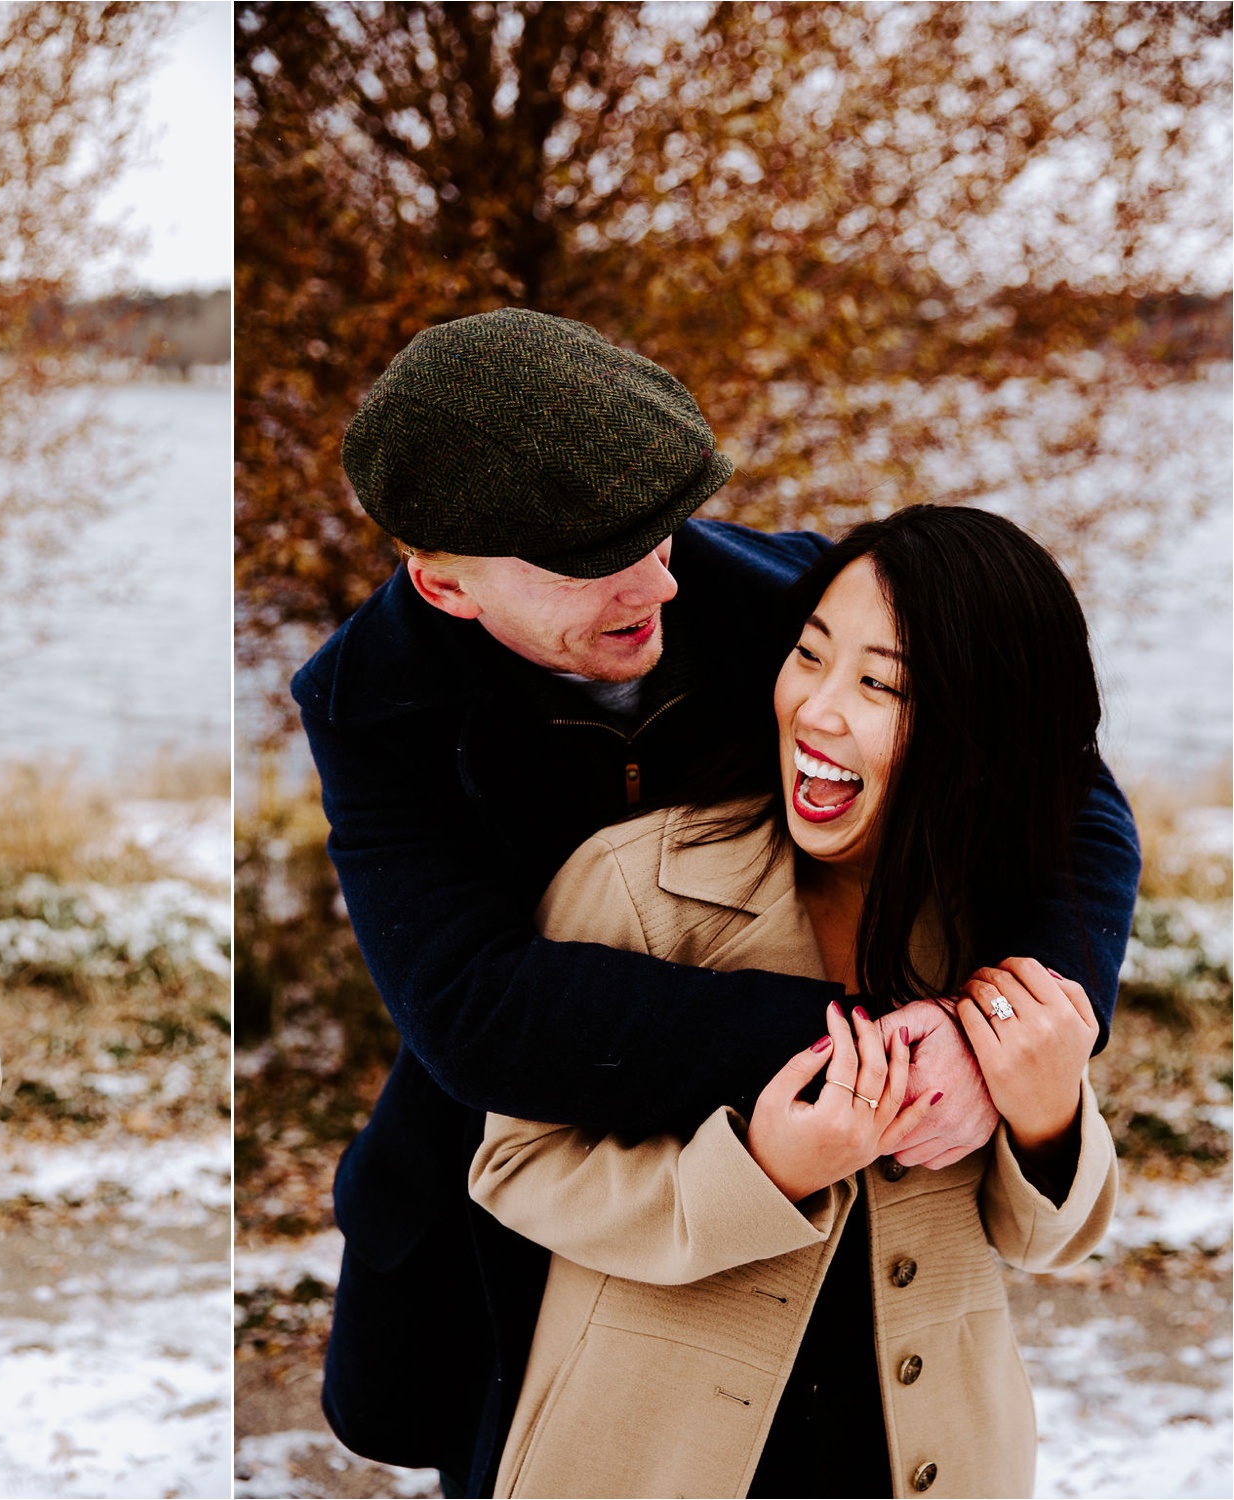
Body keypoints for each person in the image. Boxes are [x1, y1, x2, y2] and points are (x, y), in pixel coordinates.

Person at [290, 310, 1142, 1496]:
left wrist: (1012, 1028)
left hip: (841, 1151)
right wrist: (864, 1045)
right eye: (593, 556)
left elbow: (1058, 782)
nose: (660, 578)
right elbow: (471, 1008)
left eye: (659, 528)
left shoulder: (791, 599)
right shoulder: (368, 707)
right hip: (518, 1139)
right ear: (444, 586)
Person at [470, 505, 1118, 1497]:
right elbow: (516, 1167)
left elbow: (1047, 1239)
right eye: (809, 657)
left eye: (878, 685)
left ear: (983, 731)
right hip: (645, 1458)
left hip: (936, 1457)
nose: (817, 710)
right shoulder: (637, 885)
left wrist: (1045, 1116)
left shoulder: (999, 926)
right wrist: (762, 1171)